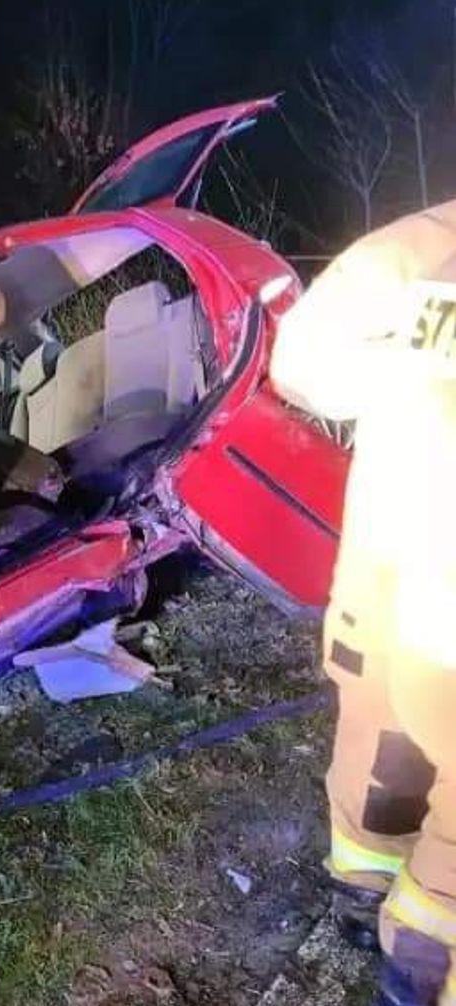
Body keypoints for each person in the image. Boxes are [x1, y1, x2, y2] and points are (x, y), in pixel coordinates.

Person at [270, 200, 456, 1006]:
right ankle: (417, 955)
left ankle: (360, 893)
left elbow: (304, 366)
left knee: (379, 748)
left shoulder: (420, 248)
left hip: (381, 581)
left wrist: (413, 367)